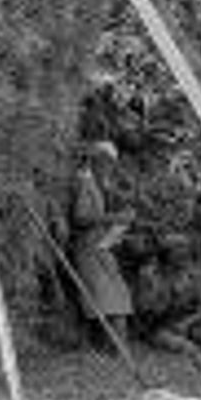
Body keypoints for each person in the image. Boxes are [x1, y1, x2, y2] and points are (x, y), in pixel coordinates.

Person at [68, 141, 134, 347]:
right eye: (108, 162)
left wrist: (120, 225)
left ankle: (115, 348)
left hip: (101, 245)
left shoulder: (99, 183)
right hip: (88, 247)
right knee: (103, 297)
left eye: (112, 163)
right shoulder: (84, 182)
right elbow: (80, 216)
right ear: (98, 160)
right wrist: (113, 218)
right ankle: (108, 347)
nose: (111, 167)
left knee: (118, 296)